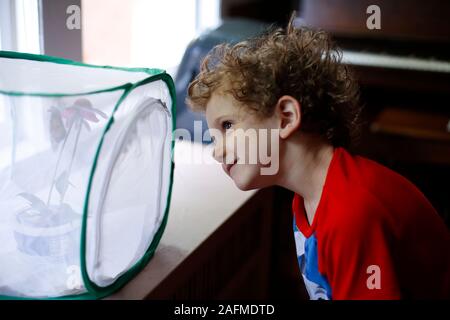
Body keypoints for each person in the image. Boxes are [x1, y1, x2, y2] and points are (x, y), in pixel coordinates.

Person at [186, 14, 450, 299]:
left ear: (285, 118)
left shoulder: (351, 214)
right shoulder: (307, 198)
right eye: (213, 137)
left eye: (227, 126)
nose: (216, 151)